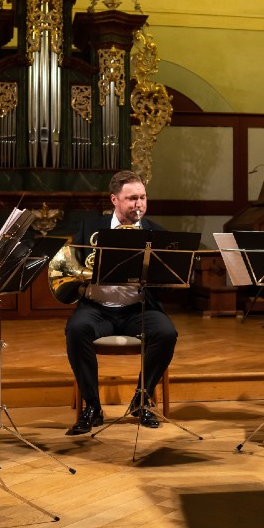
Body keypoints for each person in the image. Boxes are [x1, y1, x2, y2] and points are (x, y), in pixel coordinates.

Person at [63, 170, 177, 435]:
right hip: (96, 309)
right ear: (114, 200)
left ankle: (141, 399)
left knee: (166, 332)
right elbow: (70, 265)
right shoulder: (90, 228)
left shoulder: (156, 233)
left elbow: (169, 281)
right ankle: (92, 407)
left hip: (138, 309)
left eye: (143, 198)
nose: (139, 204)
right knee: (76, 330)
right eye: (131, 198)